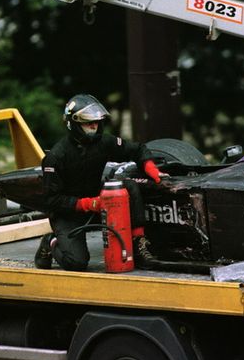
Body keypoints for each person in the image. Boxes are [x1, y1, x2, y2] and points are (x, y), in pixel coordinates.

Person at [34, 94, 164, 271]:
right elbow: (51, 200)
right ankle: (51, 242)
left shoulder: (104, 142)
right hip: (68, 213)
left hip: (98, 204)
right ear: (74, 124)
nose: (94, 126)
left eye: (96, 121)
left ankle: (137, 243)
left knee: (129, 186)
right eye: (88, 122)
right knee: (77, 263)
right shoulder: (55, 157)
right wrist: (86, 204)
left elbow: (137, 149)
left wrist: (150, 167)